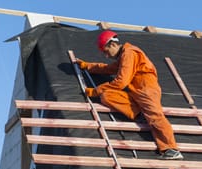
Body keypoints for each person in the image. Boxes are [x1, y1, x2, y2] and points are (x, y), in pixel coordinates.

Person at [77, 30, 183, 160]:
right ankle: (139, 114)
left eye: (106, 51)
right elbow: (109, 69)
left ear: (112, 45)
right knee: (107, 95)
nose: (106, 55)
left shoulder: (129, 53)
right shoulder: (124, 56)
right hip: (134, 91)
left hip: (146, 89)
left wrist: (95, 91)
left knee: (155, 116)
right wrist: (88, 66)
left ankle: (171, 149)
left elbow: (121, 82)